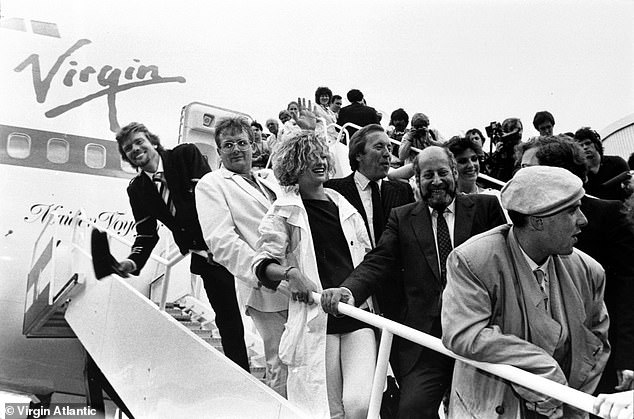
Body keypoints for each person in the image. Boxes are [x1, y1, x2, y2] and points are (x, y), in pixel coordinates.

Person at [320, 146, 507, 418]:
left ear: (454, 173)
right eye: (427, 175)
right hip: (425, 341)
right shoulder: (403, 217)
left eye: (443, 172)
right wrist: (348, 290)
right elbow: (378, 261)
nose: (436, 181)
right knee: (410, 411)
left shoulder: (486, 209)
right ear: (416, 180)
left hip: (479, 334)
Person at [442, 165, 610, 419]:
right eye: (572, 210)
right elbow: (463, 334)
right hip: (492, 408)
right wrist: (542, 366)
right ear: (537, 221)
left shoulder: (589, 271)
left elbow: (596, 343)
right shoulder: (472, 260)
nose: (583, 220)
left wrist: (570, 403)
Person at [252, 131, 375, 419]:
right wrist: (291, 273)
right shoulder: (283, 211)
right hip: (318, 320)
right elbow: (262, 263)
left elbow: (368, 258)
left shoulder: (344, 205)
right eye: (310, 158)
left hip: (357, 313)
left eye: (322, 155)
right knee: (329, 410)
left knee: (360, 405)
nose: (319, 162)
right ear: (295, 165)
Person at [113, 122, 250, 371]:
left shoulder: (185, 155)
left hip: (230, 244)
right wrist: (132, 262)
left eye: (139, 142)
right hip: (204, 259)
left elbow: (210, 198)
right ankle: (241, 375)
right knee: (228, 320)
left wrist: (214, 243)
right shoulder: (137, 189)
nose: (135, 149)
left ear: (152, 142)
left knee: (261, 310)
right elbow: (146, 234)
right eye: (128, 148)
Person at [517, 136, 634, 394]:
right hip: (543, 356)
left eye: (528, 170)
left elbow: (626, 292)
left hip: (597, 352)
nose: (519, 177)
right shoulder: (520, 225)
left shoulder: (607, 215)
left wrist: (627, 356)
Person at [194, 116, 288, 396]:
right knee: (279, 361)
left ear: (254, 146)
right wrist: (264, 270)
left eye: (242, 143)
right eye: (228, 145)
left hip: (298, 279)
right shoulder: (212, 184)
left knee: (305, 359)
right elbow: (221, 241)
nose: (236, 149)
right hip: (265, 289)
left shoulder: (270, 179)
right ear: (219, 151)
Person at [325, 124, 414, 317]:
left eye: (389, 148)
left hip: (396, 294)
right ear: (358, 154)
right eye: (379, 147)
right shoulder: (333, 191)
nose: (387, 154)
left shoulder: (402, 191)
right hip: (352, 290)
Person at [573, 127, 630, 201]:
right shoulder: (580, 174)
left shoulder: (617, 163)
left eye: (588, 143)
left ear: (596, 144)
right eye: (581, 145)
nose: (585, 147)